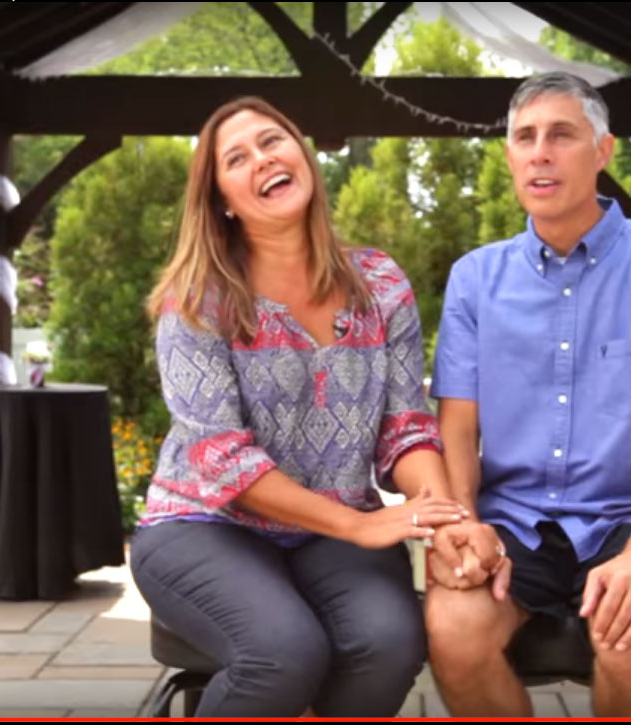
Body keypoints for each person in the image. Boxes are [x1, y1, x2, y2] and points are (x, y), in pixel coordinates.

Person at [130, 96, 467, 717]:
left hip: (328, 529)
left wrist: (439, 518)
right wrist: (362, 526)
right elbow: (223, 462)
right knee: (283, 652)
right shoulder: (196, 301)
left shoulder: (382, 283)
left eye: (272, 140)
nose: (263, 159)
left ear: (302, 156)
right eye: (238, 157)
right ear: (223, 199)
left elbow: (406, 427)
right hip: (203, 526)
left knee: (390, 642)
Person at [423, 71, 631, 717]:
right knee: (452, 626)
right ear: (511, 155)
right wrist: (465, 527)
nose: (540, 151)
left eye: (561, 135)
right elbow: (456, 427)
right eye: (524, 137)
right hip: (511, 520)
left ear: (602, 151)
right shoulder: (474, 280)